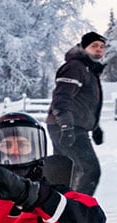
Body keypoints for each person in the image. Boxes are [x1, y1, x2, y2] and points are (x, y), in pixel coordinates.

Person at [45, 31, 107, 196]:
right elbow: (62, 97)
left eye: (102, 47)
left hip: (70, 126)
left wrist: (95, 127)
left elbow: (86, 104)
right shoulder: (74, 67)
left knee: (64, 173)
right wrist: (65, 124)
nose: (99, 50)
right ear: (83, 47)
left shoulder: (89, 71)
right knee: (89, 170)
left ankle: (57, 212)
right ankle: (77, 213)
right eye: (94, 46)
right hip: (66, 126)